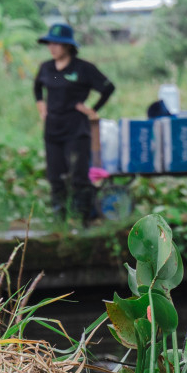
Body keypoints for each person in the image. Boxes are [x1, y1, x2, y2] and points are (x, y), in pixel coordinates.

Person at [31, 23, 114, 226]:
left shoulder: (82, 69)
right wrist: (41, 106)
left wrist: (92, 109)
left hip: (76, 129)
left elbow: (108, 88)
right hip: (53, 130)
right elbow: (38, 86)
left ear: (68, 46)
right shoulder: (48, 68)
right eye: (50, 43)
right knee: (55, 177)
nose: (52, 48)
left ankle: (84, 220)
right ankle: (60, 222)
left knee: (78, 177)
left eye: (57, 44)